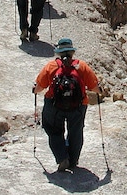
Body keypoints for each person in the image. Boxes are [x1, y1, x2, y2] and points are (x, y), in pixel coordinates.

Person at [33, 38, 101, 172]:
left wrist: (34, 90)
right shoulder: (81, 66)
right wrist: (100, 91)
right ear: (72, 52)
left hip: (54, 105)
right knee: (76, 132)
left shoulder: (51, 66)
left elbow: (39, 87)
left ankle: (62, 157)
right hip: (78, 105)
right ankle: (73, 160)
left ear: (59, 53)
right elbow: (94, 87)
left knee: (53, 130)